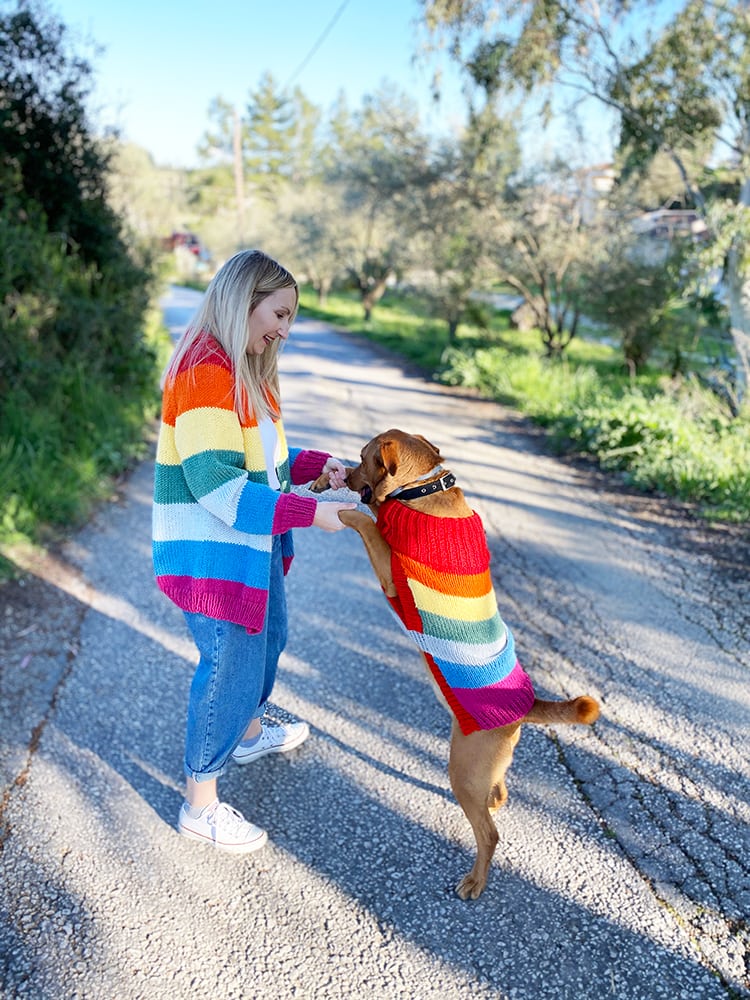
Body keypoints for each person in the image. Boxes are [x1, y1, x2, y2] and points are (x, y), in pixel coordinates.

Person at [152, 249, 355, 853]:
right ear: (244, 300)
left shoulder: (244, 371)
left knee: (269, 641)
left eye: (290, 318)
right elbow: (217, 485)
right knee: (229, 667)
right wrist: (309, 513)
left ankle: (246, 732)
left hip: (250, 543)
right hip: (215, 554)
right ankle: (200, 804)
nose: (284, 330)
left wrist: (317, 468)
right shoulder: (205, 372)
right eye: (279, 314)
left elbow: (267, 464)